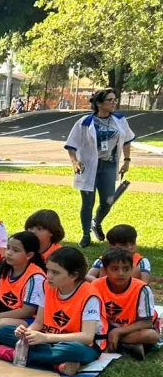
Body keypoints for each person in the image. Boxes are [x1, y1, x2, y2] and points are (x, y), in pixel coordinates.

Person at [0, 247, 106, 376]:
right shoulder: (46, 286)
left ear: (73, 276)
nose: (49, 276)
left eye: (56, 272)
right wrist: (26, 333)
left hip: (79, 344)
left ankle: (12, 354)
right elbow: (39, 323)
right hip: (48, 339)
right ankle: (55, 364)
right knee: (4, 331)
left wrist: (45, 338)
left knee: (76, 351)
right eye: (48, 270)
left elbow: (87, 337)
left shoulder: (89, 295)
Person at [64, 88, 136, 247]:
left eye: (114, 99)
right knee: (87, 202)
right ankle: (85, 234)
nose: (113, 103)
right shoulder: (84, 122)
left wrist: (127, 160)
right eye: (110, 100)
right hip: (88, 166)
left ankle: (96, 222)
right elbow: (71, 145)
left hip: (109, 165)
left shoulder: (120, 120)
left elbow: (127, 141)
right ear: (99, 103)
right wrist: (75, 161)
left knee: (108, 201)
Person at [91, 247, 160, 360]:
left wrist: (118, 331)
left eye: (126, 269)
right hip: (103, 328)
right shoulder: (95, 285)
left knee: (151, 336)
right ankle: (124, 346)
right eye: (114, 269)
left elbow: (146, 322)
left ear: (132, 269)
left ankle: (109, 343)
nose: (121, 273)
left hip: (130, 329)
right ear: (104, 271)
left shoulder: (142, 289)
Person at [86, 224, 151, 283]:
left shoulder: (141, 261)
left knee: (135, 270)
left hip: (132, 290)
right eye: (124, 245)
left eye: (132, 244)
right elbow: (89, 276)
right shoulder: (103, 260)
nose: (130, 248)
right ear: (111, 246)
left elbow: (144, 283)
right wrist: (102, 284)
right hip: (104, 290)